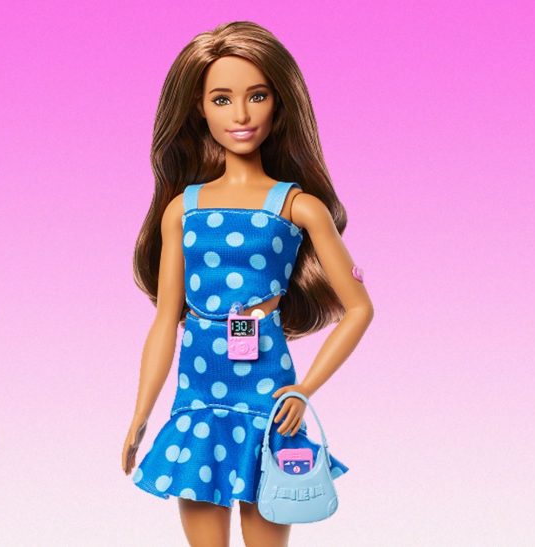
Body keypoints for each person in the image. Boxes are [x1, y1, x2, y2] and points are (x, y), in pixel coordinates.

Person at [122, 21, 374, 547]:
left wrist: (304, 389)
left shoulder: (298, 206)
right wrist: (141, 414)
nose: (240, 115)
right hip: (196, 398)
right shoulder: (182, 210)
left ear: (279, 103)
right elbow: (166, 319)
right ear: (199, 109)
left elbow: (359, 309)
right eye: (222, 99)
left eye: (257, 96)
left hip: (267, 394)